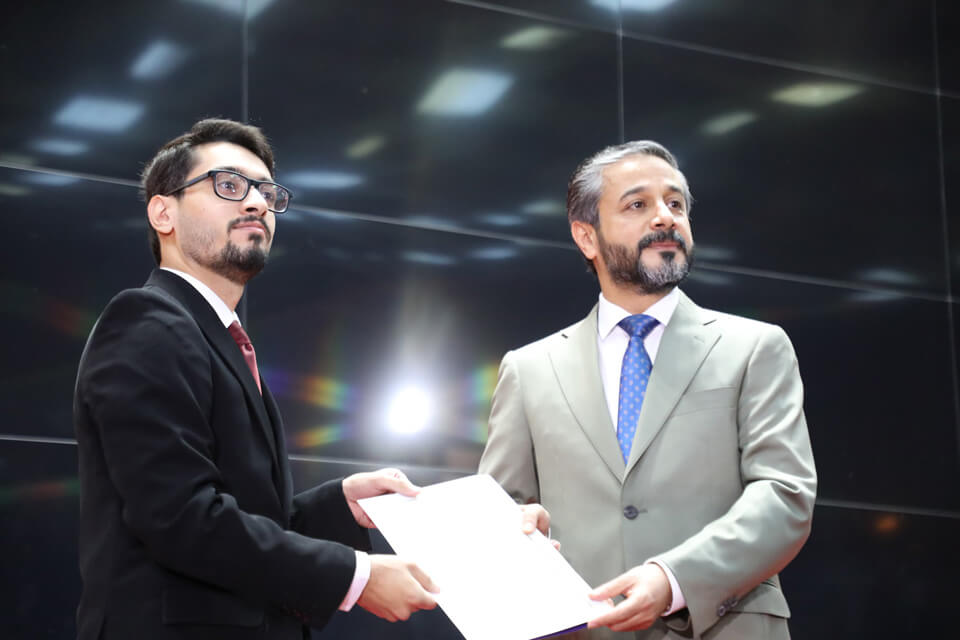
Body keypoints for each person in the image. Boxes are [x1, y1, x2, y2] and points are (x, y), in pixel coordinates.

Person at [74, 118, 444, 639]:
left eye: (267, 193)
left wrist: (341, 503)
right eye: (228, 185)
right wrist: (356, 576)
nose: (255, 204)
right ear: (163, 212)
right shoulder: (145, 321)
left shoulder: (218, 338)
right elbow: (181, 518)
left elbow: (247, 521)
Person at [479, 141, 817, 639]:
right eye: (638, 204)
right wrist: (516, 536)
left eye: (675, 203)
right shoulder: (529, 370)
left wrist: (674, 579)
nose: (665, 217)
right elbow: (497, 519)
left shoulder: (754, 348)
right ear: (586, 237)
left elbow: (785, 496)